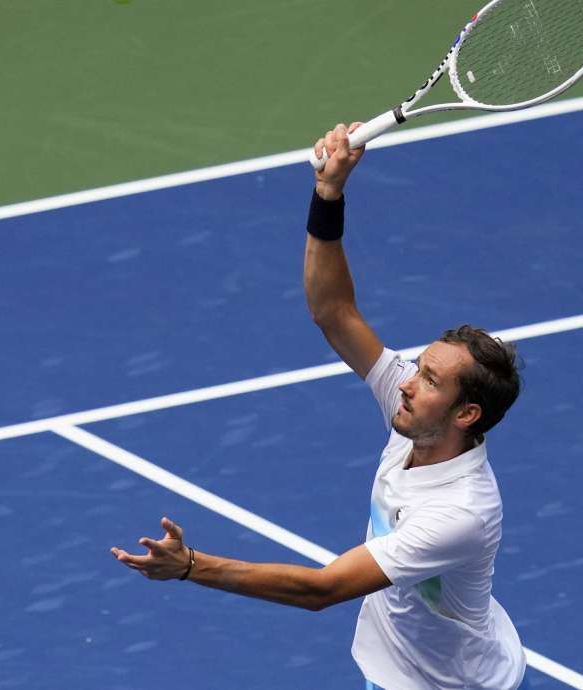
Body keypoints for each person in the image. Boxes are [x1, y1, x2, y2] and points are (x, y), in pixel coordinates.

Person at [111, 123, 528, 690]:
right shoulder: (417, 418)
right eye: (417, 366)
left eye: (429, 379)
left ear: (466, 415)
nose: (406, 382)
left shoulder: (458, 515)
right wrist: (328, 194)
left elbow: (321, 589)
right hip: (403, 673)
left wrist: (190, 566)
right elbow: (334, 310)